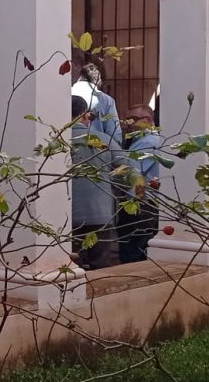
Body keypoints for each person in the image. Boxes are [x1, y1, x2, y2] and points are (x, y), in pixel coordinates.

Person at [70, 95, 119, 270]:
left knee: (71, 266)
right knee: (101, 266)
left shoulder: (55, 142)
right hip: (101, 214)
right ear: (85, 114)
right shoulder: (104, 139)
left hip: (68, 217)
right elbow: (127, 169)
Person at [114, 104, 163, 264]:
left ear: (147, 120)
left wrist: (137, 203)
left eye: (133, 119)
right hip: (150, 203)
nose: (128, 123)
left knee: (132, 252)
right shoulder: (149, 140)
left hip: (140, 204)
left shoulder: (146, 142)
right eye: (127, 119)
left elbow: (134, 175)